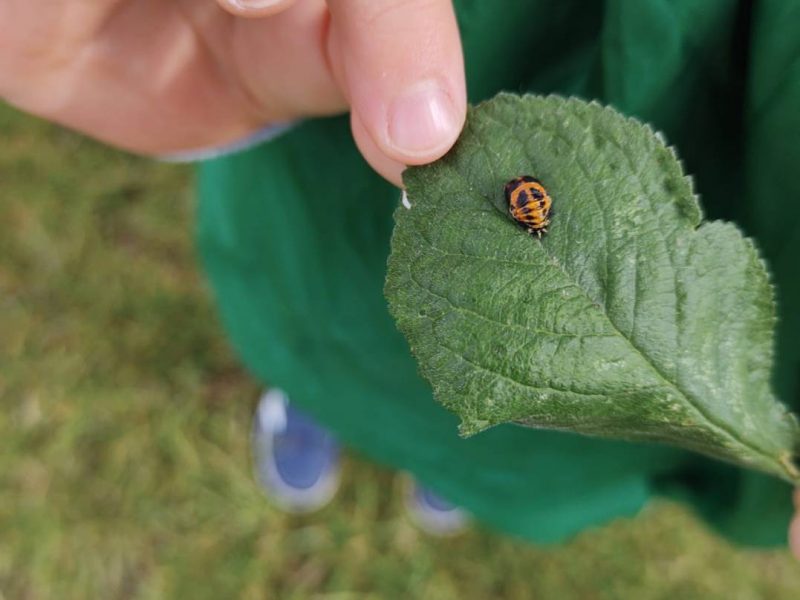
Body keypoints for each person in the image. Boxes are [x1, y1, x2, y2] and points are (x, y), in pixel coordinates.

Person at [4, 0, 800, 555]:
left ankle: (453, 466)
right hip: (408, 67)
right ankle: (319, 399)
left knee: (549, 416)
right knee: (330, 271)